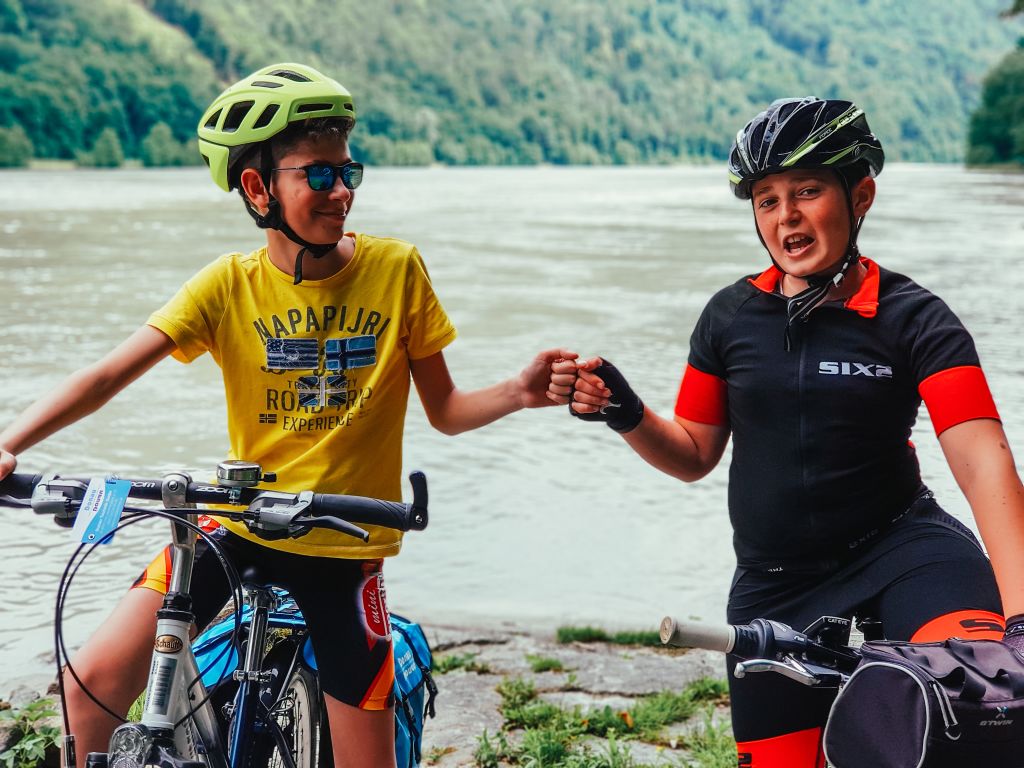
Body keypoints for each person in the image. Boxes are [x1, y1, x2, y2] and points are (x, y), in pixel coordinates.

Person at [0, 63, 575, 768]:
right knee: (87, 687)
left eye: (348, 172)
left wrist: (520, 390)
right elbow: (107, 374)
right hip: (234, 524)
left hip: (344, 542)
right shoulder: (227, 285)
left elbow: (447, 411)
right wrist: (8, 443)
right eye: (320, 176)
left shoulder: (397, 271)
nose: (342, 194)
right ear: (257, 188)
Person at [551, 96, 1024, 768]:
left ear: (860, 195)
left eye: (807, 191)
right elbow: (692, 454)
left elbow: (984, 462)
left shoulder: (919, 319)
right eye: (767, 199)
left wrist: (1022, 618)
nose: (786, 217)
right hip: (777, 585)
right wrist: (625, 412)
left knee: (982, 708)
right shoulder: (728, 318)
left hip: (907, 556)